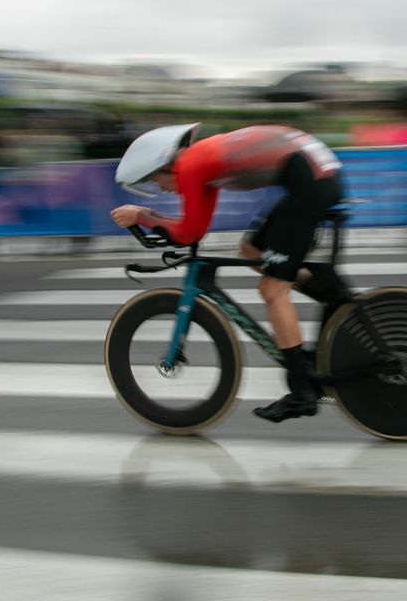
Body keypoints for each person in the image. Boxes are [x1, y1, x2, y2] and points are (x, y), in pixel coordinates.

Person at [110, 123, 344, 423]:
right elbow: (195, 231)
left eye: (156, 181)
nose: (163, 189)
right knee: (251, 249)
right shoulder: (201, 160)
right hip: (315, 177)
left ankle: (302, 390)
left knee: (272, 289)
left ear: (166, 164)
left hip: (311, 182)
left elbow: (188, 232)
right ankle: (328, 291)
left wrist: (141, 216)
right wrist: (152, 219)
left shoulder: (191, 165)